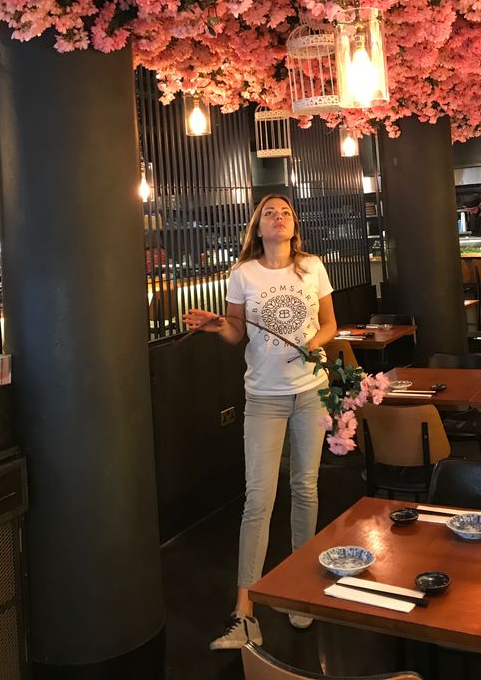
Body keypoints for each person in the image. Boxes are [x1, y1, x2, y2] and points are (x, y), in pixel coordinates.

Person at [183, 194, 337, 650]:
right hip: (263, 398)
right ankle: (243, 610)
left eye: (286, 212)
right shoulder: (242, 274)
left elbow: (329, 323)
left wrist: (314, 341)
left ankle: (300, 592)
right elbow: (236, 332)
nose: (279, 218)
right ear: (257, 226)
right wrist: (218, 325)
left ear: (294, 224)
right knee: (258, 499)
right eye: (270, 213)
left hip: (311, 392)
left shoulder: (313, 267)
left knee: (305, 487)